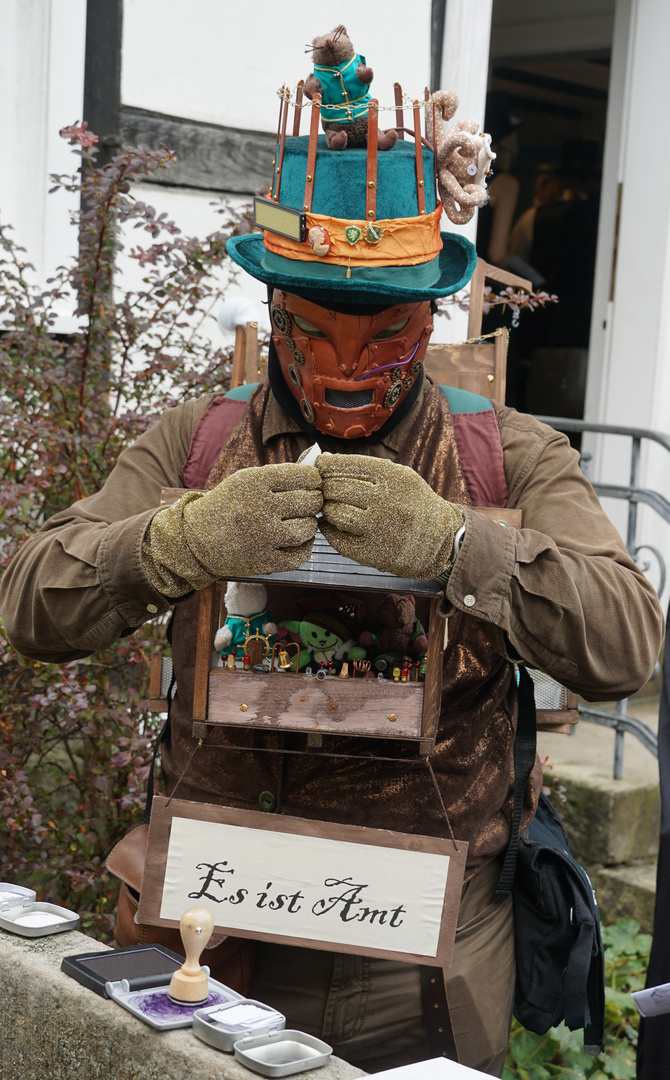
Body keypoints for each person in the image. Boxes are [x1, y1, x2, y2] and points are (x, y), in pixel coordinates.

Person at [0, 86, 663, 1079]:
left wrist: (458, 548)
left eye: (385, 335)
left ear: (429, 316)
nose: (346, 370)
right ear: (272, 311)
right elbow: (29, 601)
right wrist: (174, 541)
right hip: (210, 932)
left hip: (424, 960)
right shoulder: (198, 442)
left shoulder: (506, 455)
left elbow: (624, 643)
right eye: (311, 332)